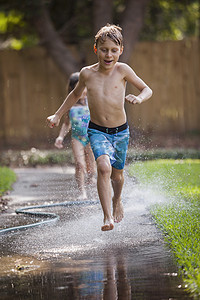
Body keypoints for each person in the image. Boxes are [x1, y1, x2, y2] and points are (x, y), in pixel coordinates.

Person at [47, 24, 153, 231]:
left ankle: (117, 200)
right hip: (96, 130)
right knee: (103, 168)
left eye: (114, 50)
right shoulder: (87, 74)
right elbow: (75, 95)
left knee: (117, 176)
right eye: (104, 49)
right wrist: (58, 114)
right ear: (96, 49)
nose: (109, 54)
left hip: (120, 131)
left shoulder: (123, 70)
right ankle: (107, 217)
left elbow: (147, 88)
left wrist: (139, 98)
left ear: (120, 51)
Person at [54, 72, 96, 200]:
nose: (82, 91)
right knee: (79, 164)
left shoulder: (92, 102)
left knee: (92, 167)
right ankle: (82, 192)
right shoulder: (70, 105)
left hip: (91, 136)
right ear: (73, 89)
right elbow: (67, 124)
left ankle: (92, 180)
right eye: (79, 88)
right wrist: (60, 137)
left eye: (84, 87)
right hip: (77, 138)